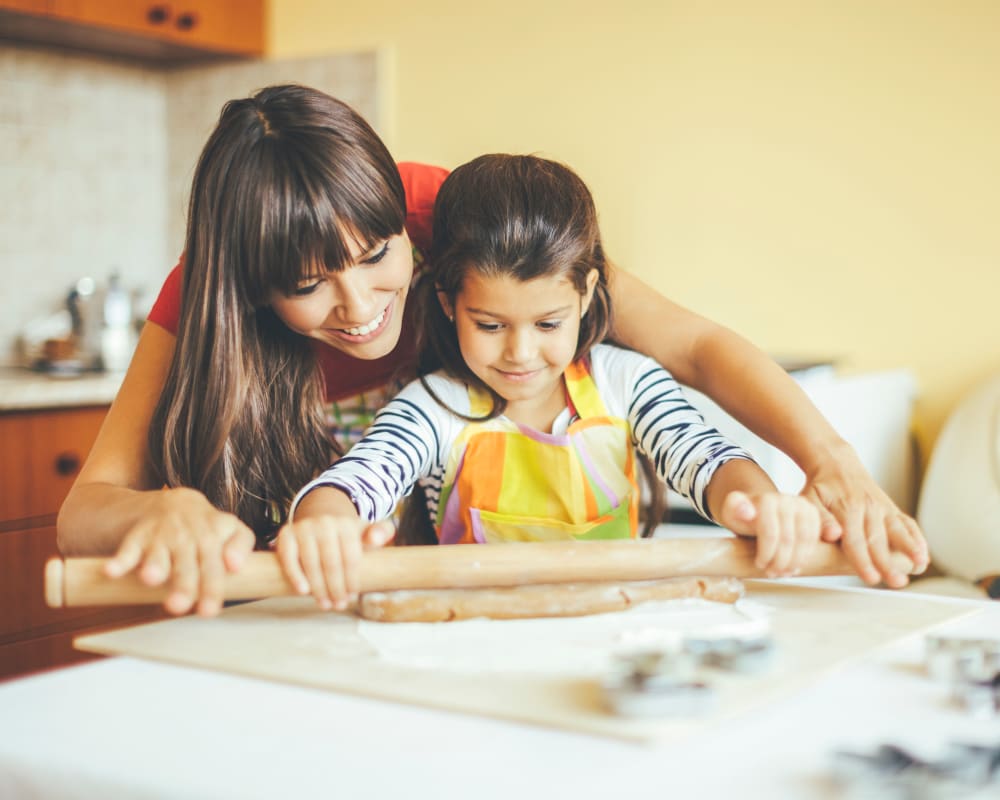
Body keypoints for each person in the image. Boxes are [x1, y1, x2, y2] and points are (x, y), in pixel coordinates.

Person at [57, 84, 926, 618]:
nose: (360, 309)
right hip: (323, 595)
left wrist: (825, 466)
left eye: (376, 258)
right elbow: (86, 507)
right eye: (308, 286)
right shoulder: (203, 300)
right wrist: (156, 510)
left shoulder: (459, 222)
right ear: (247, 286)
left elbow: (692, 350)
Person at [278, 154, 828, 609]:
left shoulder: (627, 382)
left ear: (586, 295)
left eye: (548, 324)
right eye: (490, 325)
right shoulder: (432, 407)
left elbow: (705, 458)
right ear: (448, 304)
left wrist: (761, 503)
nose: (520, 353)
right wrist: (325, 523)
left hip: (616, 632)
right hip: (472, 640)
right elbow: (360, 480)